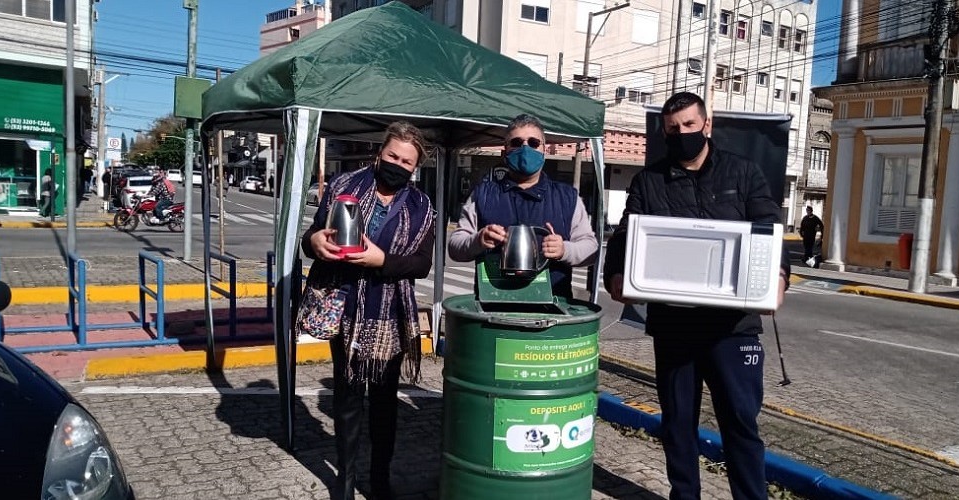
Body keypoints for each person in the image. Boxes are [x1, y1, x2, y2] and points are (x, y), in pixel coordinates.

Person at [603, 92, 789, 500]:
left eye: (689, 125)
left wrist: (778, 275)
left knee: (740, 424)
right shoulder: (648, 181)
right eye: (673, 129)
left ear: (708, 125)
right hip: (675, 328)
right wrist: (615, 273)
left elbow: (768, 229)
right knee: (677, 423)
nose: (682, 133)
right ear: (664, 131)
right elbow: (624, 235)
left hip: (733, 329)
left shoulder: (744, 174)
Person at [300, 121, 435, 500]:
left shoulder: (422, 207)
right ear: (379, 154)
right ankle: (343, 483)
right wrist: (314, 242)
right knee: (347, 401)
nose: (398, 164)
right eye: (392, 155)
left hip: (389, 315)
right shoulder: (345, 188)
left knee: (383, 404)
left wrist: (381, 260)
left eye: (406, 161)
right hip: (345, 307)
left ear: (414, 167)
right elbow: (312, 238)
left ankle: (379, 481)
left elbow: (421, 264)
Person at [448, 114, 598, 298]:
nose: (525, 148)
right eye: (517, 142)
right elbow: (455, 247)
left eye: (533, 143)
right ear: (505, 152)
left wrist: (564, 250)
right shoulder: (482, 194)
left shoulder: (567, 197)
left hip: (551, 310)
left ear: (544, 150)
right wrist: (478, 240)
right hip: (493, 307)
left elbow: (591, 249)